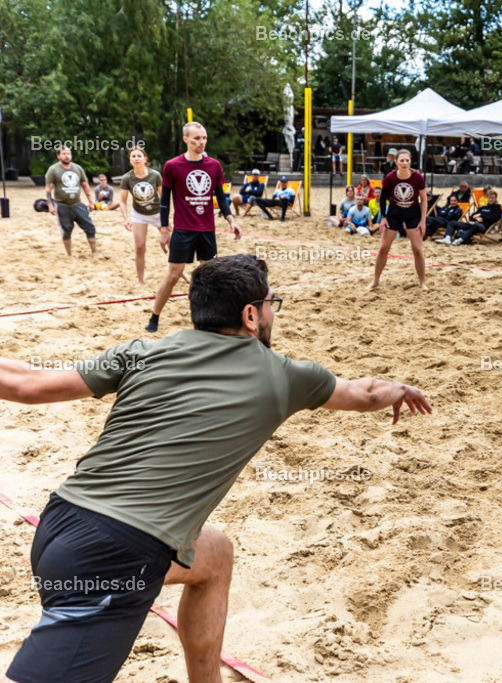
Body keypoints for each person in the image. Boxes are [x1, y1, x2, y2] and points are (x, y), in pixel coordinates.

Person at [0, 255, 431, 683]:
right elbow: (364, 394)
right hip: (114, 556)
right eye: (270, 304)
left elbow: (26, 384)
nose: (271, 313)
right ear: (249, 315)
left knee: (213, 554)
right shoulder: (283, 376)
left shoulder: (141, 353)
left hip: (59, 523)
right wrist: (402, 389)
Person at [147, 122, 241, 334]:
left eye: (204, 138)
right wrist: (164, 230)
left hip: (207, 230)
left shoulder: (214, 165)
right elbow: (164, 201)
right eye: (197, 138)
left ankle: (207, 322)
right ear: (186, 140)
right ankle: (155, 316)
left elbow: (221, 197)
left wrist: (231, 220)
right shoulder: (172, 165)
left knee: (208, 277)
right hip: (183, 230)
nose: (201, 142)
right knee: (173, 275)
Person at [368, 149, 428, 291]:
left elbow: (424, 200)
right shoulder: (389, 177)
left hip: (413, 214)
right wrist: (383, 217)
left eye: (407, 160)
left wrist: (423, 221)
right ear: (396, 162)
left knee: (417, 249)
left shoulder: (418, 177)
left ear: (410, 162)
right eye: (401, 160)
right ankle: (375, 281)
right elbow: (382, 198)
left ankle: (422, 283)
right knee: (383, 248)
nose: (404, 163)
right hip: (394, 213)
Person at [118, 147, 163, 285]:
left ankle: (181, 273)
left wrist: (168, 217)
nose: (136, 158)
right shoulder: (127, 178)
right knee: (139, 248)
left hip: (158, 213)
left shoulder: (155, 175)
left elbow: (164, 197)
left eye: (139, 156)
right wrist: (126, 218)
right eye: (133, 156)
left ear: (145, 159)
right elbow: (122, 201)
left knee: (171, 243)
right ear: (130, 160)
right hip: (139, 214)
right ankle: (140, 280)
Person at [44, 146, 97, 257]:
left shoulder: (78, 168)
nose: (67, 156)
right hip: (62, 205)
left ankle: (95, 252)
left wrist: (91, 201)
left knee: (90, 228)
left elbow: (85, 185)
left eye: (68, 153)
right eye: (64, 154)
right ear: (58, 156)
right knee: (66, 230)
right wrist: (50, 204)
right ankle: (69, 255)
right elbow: (49, 188)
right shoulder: (53, 170)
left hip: (78, 204)